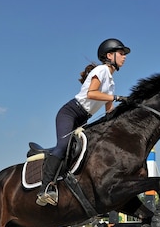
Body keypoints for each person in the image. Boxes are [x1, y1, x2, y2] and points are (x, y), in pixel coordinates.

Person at [36, 38, 131, 206]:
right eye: (121, 53)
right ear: (110, 55)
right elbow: (91, 93)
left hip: (83, 118)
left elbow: (109, 111)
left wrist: (127, 112)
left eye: (124, 54)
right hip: (70, 113)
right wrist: (116, 97)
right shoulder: (101, 70)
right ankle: (44, 189)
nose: (124, 57)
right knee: (64, 146)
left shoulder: (111, 82)